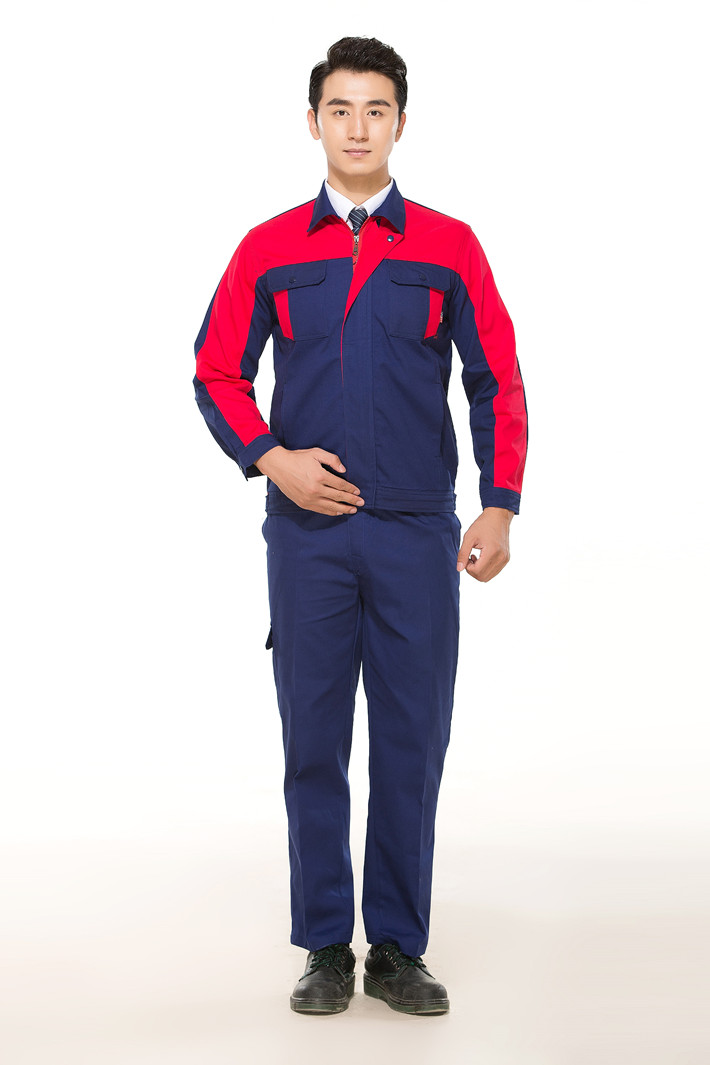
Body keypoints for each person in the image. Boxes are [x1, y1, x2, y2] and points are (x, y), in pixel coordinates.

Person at [193, 36, 528, 1017]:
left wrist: (499, 500)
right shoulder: (268, 248)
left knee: (411, 742)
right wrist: (272, 458)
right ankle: (323, 946)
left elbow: (496, 378)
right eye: (338, 109)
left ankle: (396, 947)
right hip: (306, 540)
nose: (356, 127)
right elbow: (216, 369)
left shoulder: (448, 246)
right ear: (313, 122)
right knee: (313, 743)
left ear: (400, 124)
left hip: (416, 533)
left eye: (375, 110)